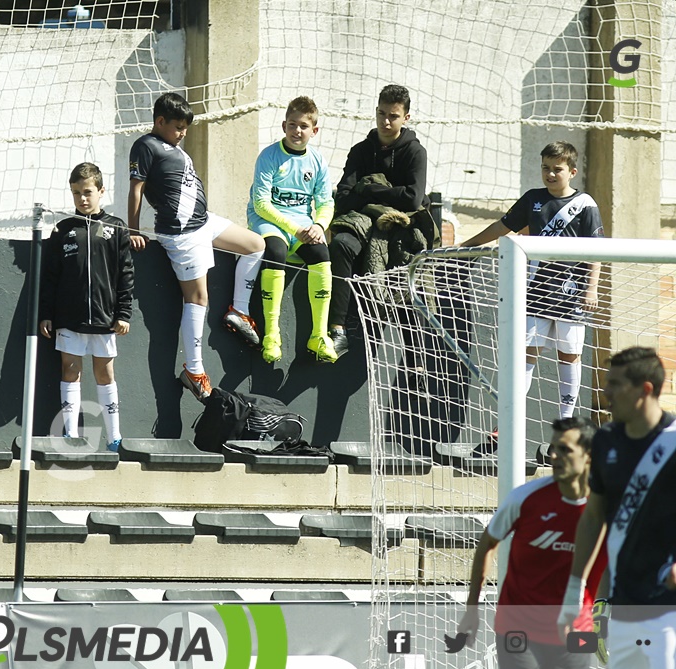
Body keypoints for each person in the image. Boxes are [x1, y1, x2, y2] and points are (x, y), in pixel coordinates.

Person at [127, 92, 266, 400]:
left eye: (185, 128)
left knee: (255, 245)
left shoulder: (172, 146)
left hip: (204, 222)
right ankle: (194, 369)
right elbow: (136, 189)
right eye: (177, 127)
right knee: (198, 298)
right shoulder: (145, 146)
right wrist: (133, 231)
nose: (183, 133)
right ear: (160, 121)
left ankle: (239, 312)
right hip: (182, 235)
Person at [460, 141, 603, 419]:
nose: (550, 174)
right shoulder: (532, 199)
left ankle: (565, 424)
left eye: (557, 169)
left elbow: (596, 251)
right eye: (545, 168)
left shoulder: (585, 204)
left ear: (572, 171)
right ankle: (508, 422)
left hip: (572, 295)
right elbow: (502, 227)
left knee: (569, 356)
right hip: (536, 292)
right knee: (525, 355)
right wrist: (465, 246)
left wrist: (591, 288)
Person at [457, 417, 607, 669]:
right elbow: (487, 545)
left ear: (590, 456)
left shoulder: (610, 509)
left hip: (576, 630)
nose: (554, 456)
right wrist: (472, 608)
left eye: (565, 450)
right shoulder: (524, 498)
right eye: (554, 448)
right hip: (517, 628)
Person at [561, 346, 676, 669]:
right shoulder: (606, 440)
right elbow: (595, 517)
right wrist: (576, 587)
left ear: (645, 390)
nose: (605, 391)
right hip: (625, 605)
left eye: (615, 384)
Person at [327, 84, 434, 357]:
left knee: (407, 256)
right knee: (341, 243)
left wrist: (371, 189)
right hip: (362, 221)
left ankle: (414, 357)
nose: (386, 121)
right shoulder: (361, 150)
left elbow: (412, 200)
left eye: (393, 116)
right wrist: (384, 198)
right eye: (381, 114)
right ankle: (338, 329)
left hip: (401, 225)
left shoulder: (415, 152)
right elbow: (344, 197)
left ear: (406, 118)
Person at [39, 163, 134, 453]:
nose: (82, 198)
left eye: (88, 192)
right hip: (69, 317)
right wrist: (47, 314)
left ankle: (114, 438)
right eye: (76, 193)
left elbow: (126, 274)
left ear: (101, 191)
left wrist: (124, 314)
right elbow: (51, 276)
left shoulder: (116, 228)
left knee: (105, 375)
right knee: (70, 371)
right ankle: (70, 434)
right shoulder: (63, 229)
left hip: (106, 319)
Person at [246, 96, 337, 364]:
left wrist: (319, 226)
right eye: (293, 125)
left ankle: (319, 336)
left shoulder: (317, 161)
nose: (297, 131)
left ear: (314, 131)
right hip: (269, 222)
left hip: (301, 224)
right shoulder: (269, 156)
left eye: (304, 126)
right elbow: (261, 204)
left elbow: (325, 202)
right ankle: (271, 335)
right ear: (284, 125)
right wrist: (295, 229)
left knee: (322, 255)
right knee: (275, 250)